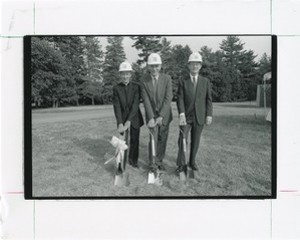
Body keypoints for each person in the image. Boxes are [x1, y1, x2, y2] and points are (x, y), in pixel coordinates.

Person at [176, 52, 213, 172]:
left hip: (200, 116)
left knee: (195, 141)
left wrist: (209, 114)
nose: (195, 67)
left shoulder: (205, 81)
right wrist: (181, 114)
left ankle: (192, 162)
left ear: (200, 66)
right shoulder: (183, 81)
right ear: (188, 66)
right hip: (186, 117)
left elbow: (208, 99)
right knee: (182, 140)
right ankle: (181, 164)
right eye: (192, 64)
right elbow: (180, 98)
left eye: (197, 64)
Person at [141, 53, 173, 171]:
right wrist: (151, 117)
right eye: (152, 66)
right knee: (153, 139)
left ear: (160, 66)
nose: (154, 69)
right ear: (148, 67)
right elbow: (146, 100)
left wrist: (161, 116)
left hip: (164, 115)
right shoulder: (144, 81)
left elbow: (168, 98)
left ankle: (159, 161)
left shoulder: (167, 78)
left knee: (162, 139)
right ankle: (152, 163)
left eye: (157, 66)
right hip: (152, 116)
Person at [112, 61, 144, 168]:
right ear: (120, 75)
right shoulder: (116, 88)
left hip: (134, 118)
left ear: (130, 74)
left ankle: (133, 160)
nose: (125, 76)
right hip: (122, 118)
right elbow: (117, 107)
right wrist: (120, 123)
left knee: (135, 140)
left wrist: (129, 121)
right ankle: (122, 161)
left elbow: (135, 105)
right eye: (123, 74)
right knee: (123, 142)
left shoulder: (136, 87)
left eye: (127, 73)